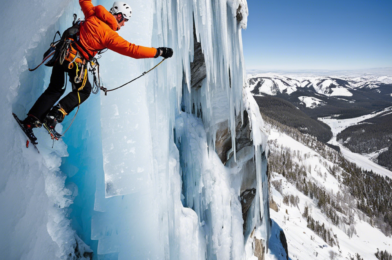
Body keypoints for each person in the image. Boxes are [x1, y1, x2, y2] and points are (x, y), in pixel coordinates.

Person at [22, 1, 173, 143]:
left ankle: (30, 122)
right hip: (76, 61)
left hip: (62, 53)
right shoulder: (110, 36)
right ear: (119, 16)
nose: (124, 24)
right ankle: (54, 116)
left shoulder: (92, 14)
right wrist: (159, 52)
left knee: (55, 88)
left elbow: (84, 1)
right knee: (84, 90)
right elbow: (133, 50)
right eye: (125, 20)